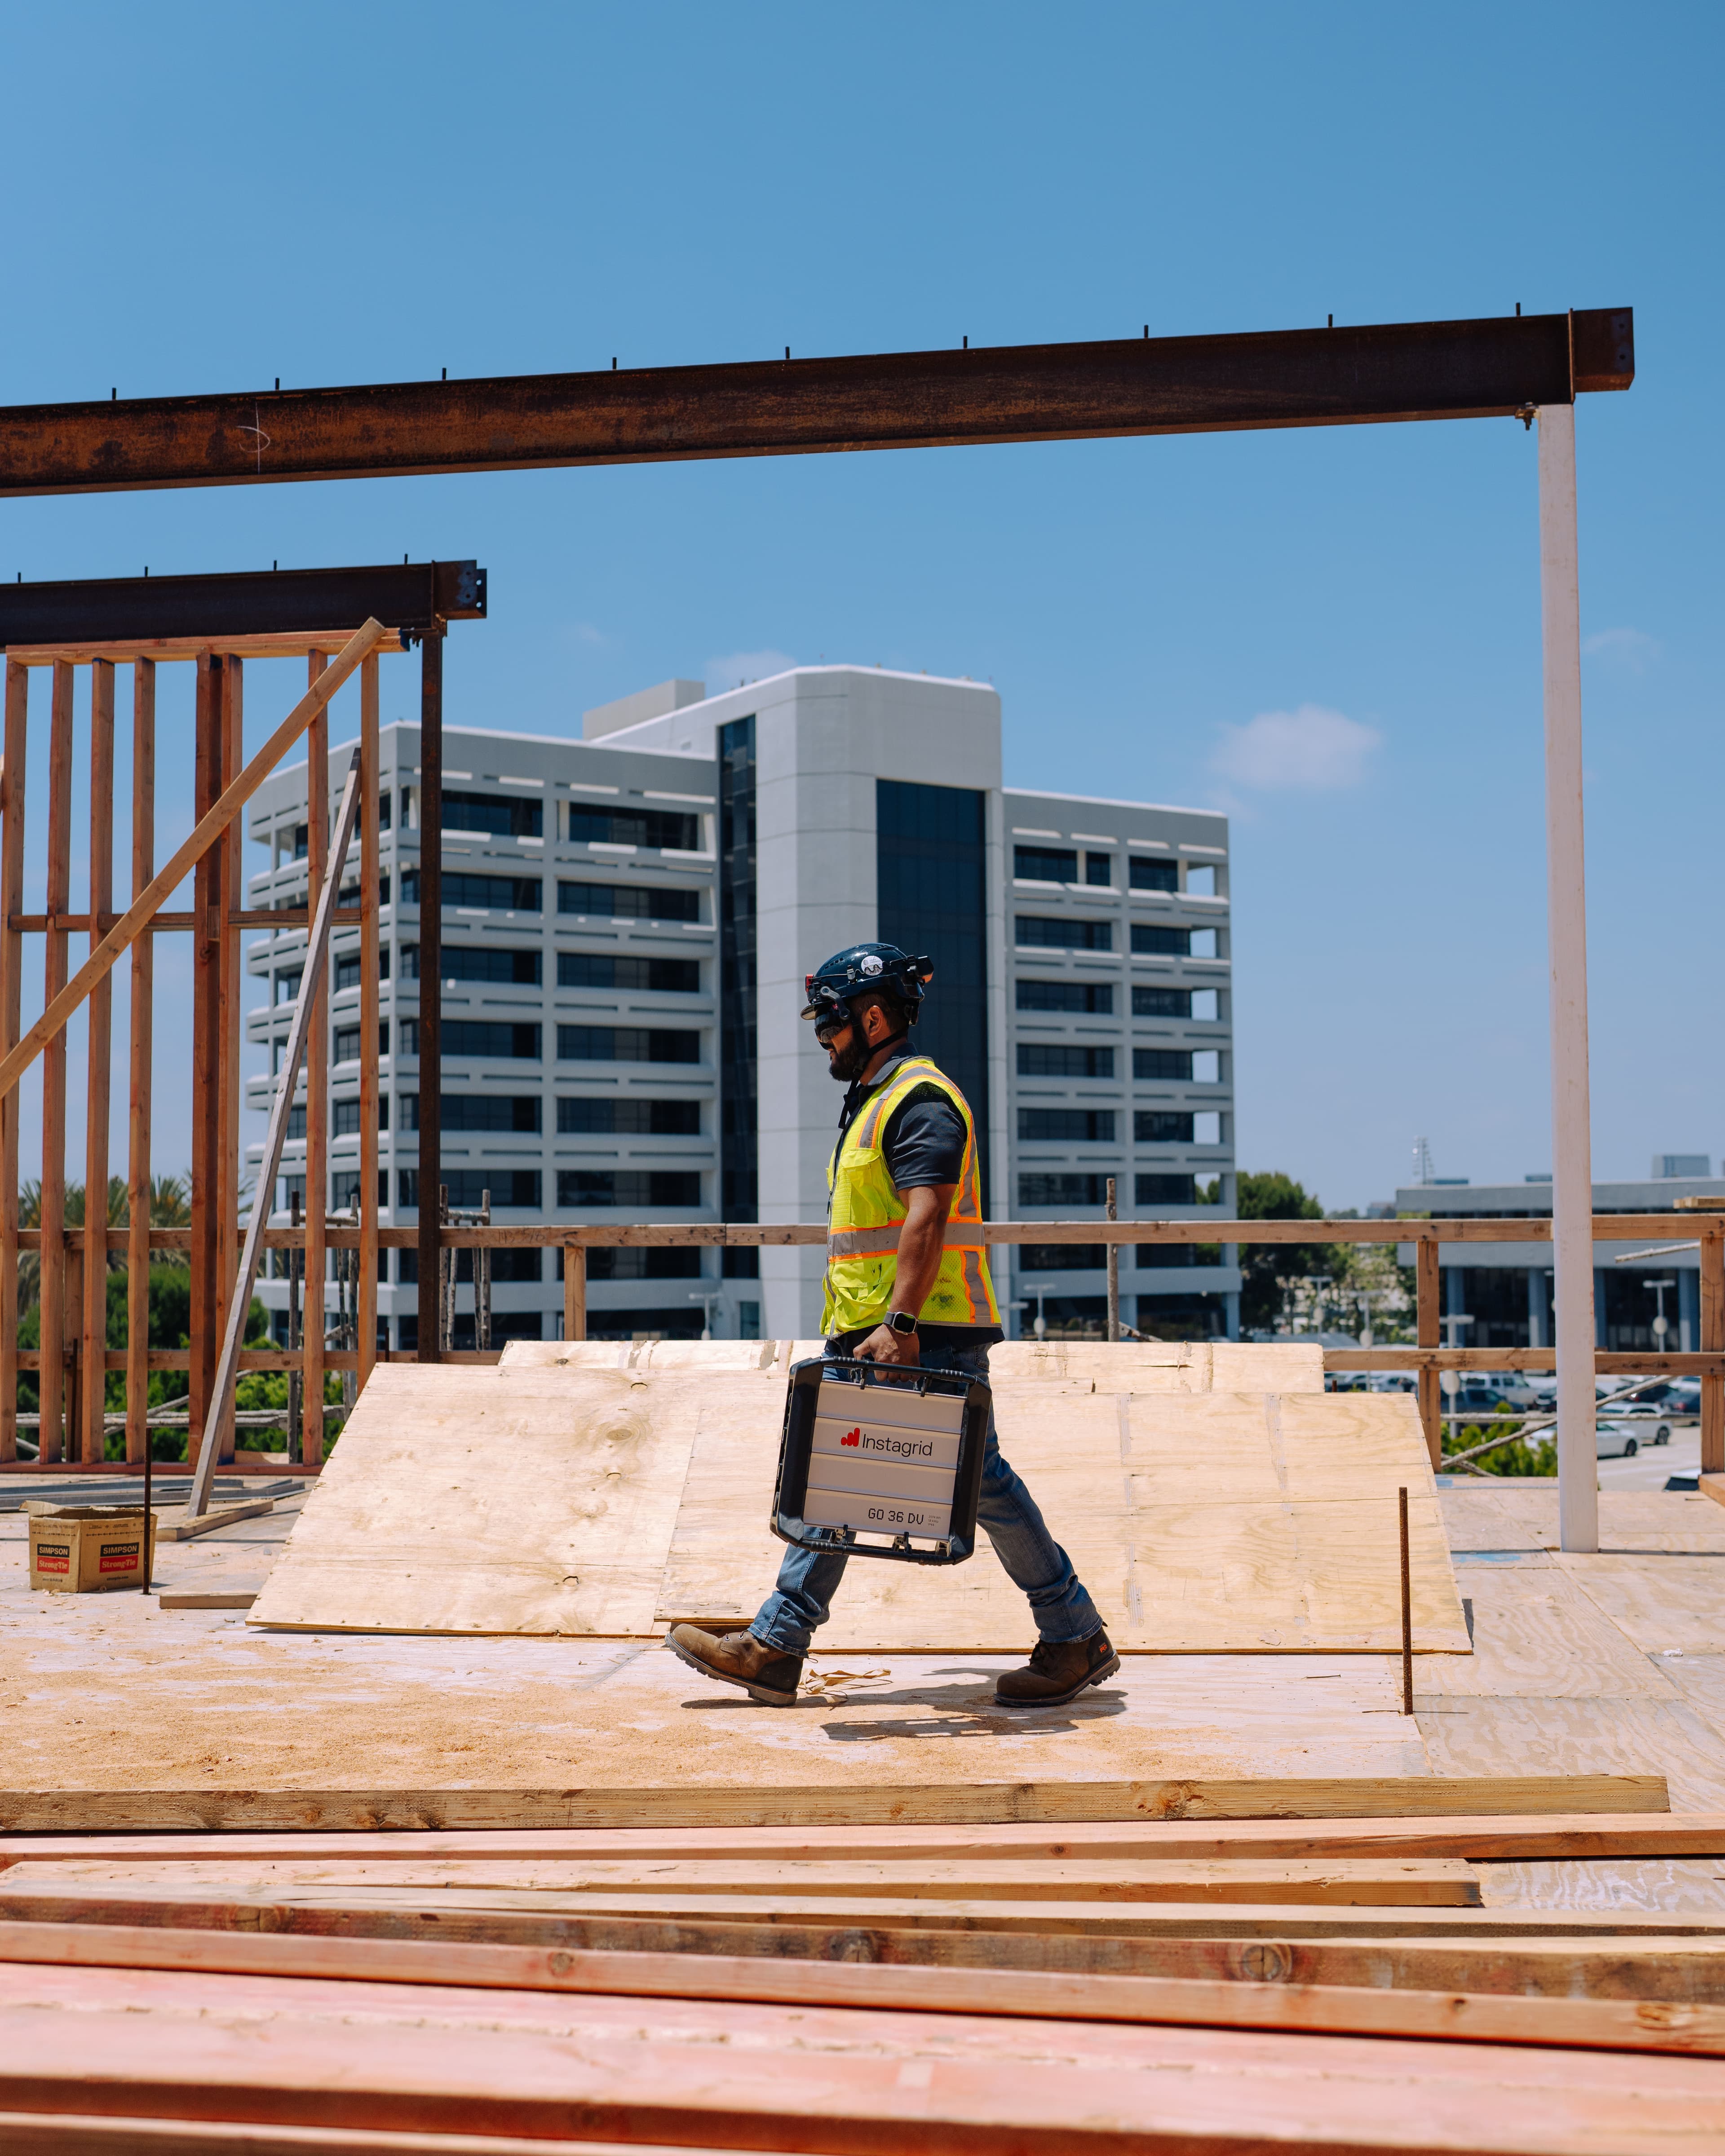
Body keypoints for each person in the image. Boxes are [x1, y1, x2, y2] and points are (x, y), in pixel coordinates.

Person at [667, 941, 1117, 1710]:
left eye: (832, 1024)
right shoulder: (879, 1097)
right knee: (892, 1482)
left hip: (921, 1330)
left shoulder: (920, 1098)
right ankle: (1068, 1633)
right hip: (885, 1329)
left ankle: (780, 1644)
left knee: (926, 1481)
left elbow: (928, 1214)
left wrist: (900, 1321)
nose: (825, 1040)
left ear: (873, 1017)